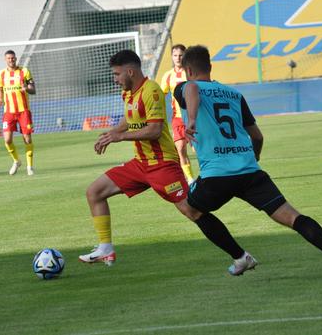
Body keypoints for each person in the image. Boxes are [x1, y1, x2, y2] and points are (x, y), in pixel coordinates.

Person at [173, 45, 322, 281]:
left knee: (189, 208)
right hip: (249, 171)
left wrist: (191, 119)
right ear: (210, 67)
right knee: (295, 218)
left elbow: (192, 88)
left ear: (188, 70)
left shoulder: (185, 87)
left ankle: (240, 256)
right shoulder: (234, 94)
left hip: (217, 175)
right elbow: (258, 137)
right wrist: (252, 158)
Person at [79, 50, 256, 276]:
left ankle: (241, 256)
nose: (115, 79)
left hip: (163, 165)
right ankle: (105, 248)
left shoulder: (151, 90)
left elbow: (154, 130)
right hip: (140, 164)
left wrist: (119, 137)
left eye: (116, 74)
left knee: (192, 211)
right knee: (94, 192)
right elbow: (129, 118)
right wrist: (112, 132)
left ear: (130, 71)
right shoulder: (129, 94)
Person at [159, 44, 196, 184]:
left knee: (197, 149)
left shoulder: (191, 72)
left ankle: (207, 174)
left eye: (180, 55)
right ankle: (191, 179)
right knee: (180, 149)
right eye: (175, 55)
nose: (178, 58)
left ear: (185, 56)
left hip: (193, 117)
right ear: (172, 57)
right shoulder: (167, 76)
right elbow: (161, 95)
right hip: (178, 118)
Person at [0, 50, 36, 176]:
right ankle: (16, 161)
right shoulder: (1, 74)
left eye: (13, 58)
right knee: (7, 140)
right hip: (8, 112)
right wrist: (0, 99)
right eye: (9, 58)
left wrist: (27, 88)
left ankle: (30, 166)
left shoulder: (24, 71)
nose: (11, 60)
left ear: (16, 58)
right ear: (5, 59)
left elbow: (33, 89)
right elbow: (0, 89)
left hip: (23, 111)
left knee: (27, 139)